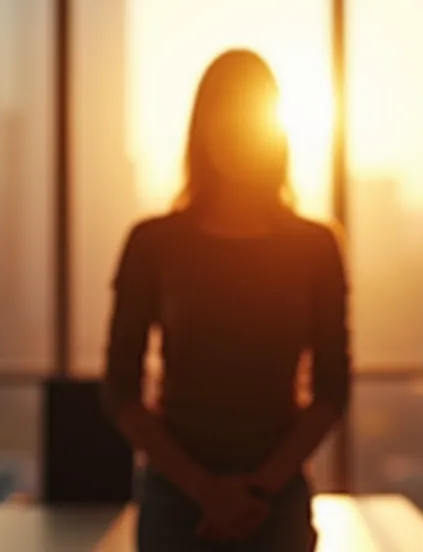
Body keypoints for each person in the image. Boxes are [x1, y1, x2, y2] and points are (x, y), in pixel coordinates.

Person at [102, 49, 351, 551]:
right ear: (202, 130)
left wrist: (258, 488)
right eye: (225, 117)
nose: (238, 134)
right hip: (177, 503)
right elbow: (120, 387)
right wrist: (202, 489)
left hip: (274, 503)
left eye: (251, 120)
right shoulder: (152, 244)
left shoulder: (315, 246)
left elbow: (333, 385)